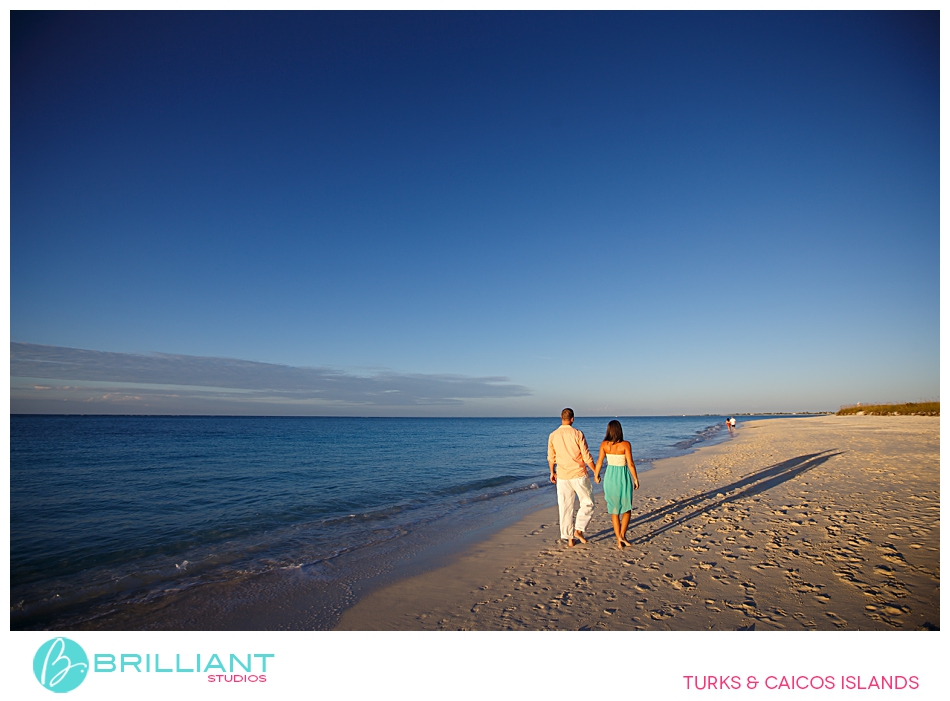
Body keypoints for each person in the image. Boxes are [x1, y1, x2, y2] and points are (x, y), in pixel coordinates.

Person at [547, 408, 596, 547]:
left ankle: (569, 538)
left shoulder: (553, 435)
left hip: (562, 475)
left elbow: (551, 457)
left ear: (561, 418)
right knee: (588, 502)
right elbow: (586, 456)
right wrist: (595, 471)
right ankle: (579, 529)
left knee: (565, 507)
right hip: (578, 474)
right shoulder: (577, 434)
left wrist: (552, 472)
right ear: (572, 419)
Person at [594, 420, 639, 549]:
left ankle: (619, 540)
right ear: (619, 430)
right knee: (626, 508)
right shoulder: (625, 444)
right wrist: (635, 479)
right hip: (623, 477)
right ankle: (622, 535)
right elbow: (630, 463)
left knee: (614, 509)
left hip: (610, 477)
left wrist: (596, 475)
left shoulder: (604, 445)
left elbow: (599, 462)